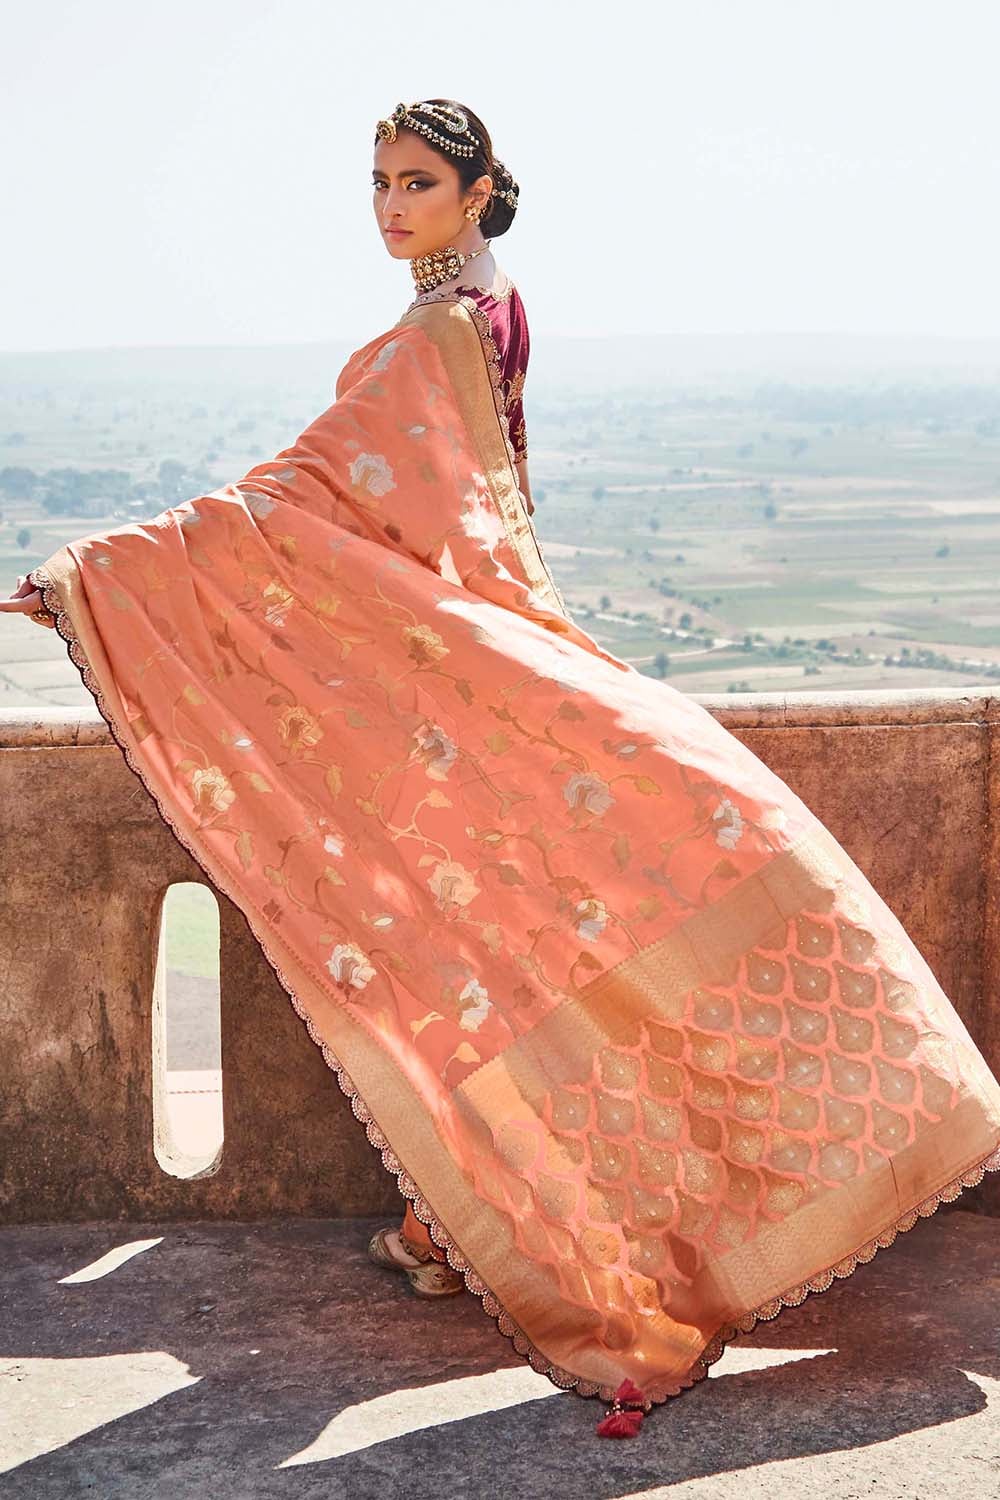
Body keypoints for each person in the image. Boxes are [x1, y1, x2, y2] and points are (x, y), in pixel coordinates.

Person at [4, 99, 999, 1436]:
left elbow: (299, 496)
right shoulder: (483, 308)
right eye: (376, 182)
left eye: (417, 183)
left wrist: (101, 573)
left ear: (478, 191)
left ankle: (551, 1227)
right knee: (498, 937)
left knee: (479, 936)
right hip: (481, 641)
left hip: (469, 667)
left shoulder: (442, 330)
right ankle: (462, 1221)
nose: (388, 206)